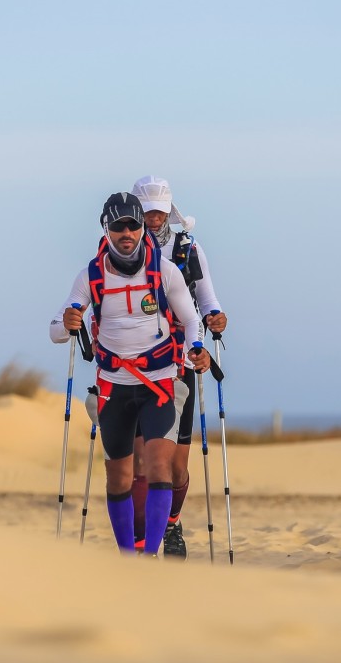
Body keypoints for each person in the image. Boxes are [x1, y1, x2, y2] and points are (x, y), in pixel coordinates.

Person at [49, 191, 211, 557]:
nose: (127, 232)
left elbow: (190, 321)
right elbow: (56, 329)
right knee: (119, 477)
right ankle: (127, 556)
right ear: (106, 229)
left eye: (133, 225)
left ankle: (150, 553)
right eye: (118, 226)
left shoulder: (165, 271)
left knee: (158, 465)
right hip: (113, 388)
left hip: (159, 384)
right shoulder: (90, 275)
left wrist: (195, 350)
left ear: (143, 229)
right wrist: (68, 324)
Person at [128, 175, 227, 559]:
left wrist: (216, 316)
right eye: (148, 211)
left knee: (177, 467)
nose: (154, 218)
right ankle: (144, 537)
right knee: (144, 458)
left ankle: (172, 522)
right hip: (136, 364)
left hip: (182, 359)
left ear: (169, 210)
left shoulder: (189, 249)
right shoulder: (121, 250)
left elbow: (207, 298)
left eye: (160, 211)